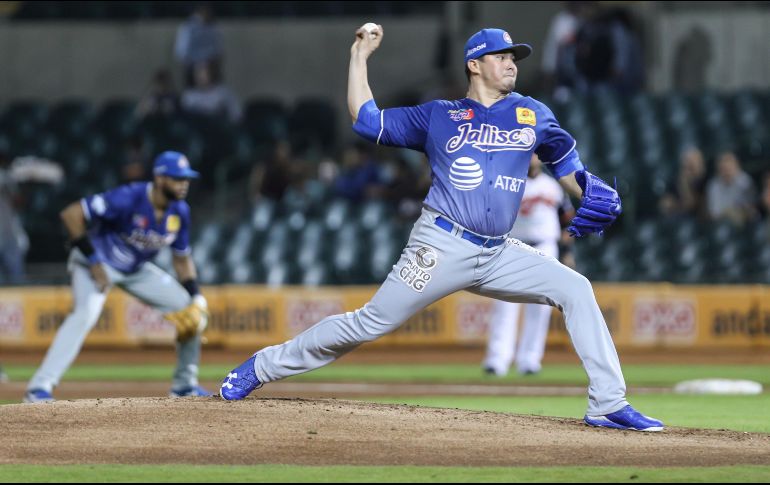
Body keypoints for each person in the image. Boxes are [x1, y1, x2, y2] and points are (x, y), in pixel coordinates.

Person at [219, 25, 664, 432]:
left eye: (515, 57)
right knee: (368, 323)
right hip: (441, 244)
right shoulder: (440, 115)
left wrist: (586, 190)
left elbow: (565, 161)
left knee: (576, 289)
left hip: (498, 252)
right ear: (474, 64)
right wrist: (360, 55)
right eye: (502, 55)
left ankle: (607, 402)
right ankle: (260, 367)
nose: (512, 63)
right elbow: (366, 119)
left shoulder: (532, 113)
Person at [24, 152, 210, 403]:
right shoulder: (128, 197)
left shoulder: (180, 212)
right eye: (177, 178)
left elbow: (182, 258)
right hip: (97, 263)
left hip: (135, 268)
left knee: (191, 312)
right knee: (85, 314)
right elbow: (71, 214)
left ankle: (185, 385)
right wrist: (93, 261)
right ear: (159, 178)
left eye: (186, 178)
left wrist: (196, 295)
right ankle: (39, 387)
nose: (183, 183)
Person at [482, 154, 574, 377]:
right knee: (505, 304)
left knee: (540, 307)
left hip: (545, 247)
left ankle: (530, 360)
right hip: (512, 247)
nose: (532, 158)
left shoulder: (553, 186)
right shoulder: (509, 182)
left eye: (535, 154)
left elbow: (568, 220)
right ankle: (498, 359)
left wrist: (568, 252)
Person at [705, 151, 757, 227]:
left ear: (736, 166)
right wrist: (729, 212)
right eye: (723, 168)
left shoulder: (745, 181)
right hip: (722, 224)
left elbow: (751, 209)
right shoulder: (713, 185)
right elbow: (714, 214)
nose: (726, 171)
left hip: (747, 223)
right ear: (718, 170)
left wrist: (735, 212)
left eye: (729, 167)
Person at [0, 151, 29, 285]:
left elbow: (19, 202)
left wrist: (9, 188)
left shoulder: (8, 178)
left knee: (16, 278)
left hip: (9, 233)